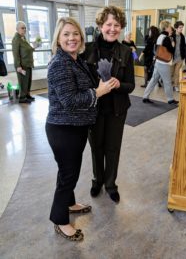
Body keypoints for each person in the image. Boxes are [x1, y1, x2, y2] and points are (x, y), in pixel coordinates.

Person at [45, 17, 115, 241]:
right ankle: (60, 220)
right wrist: (98, 92)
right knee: (68, 174)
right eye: (66, 34)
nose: (71, 38)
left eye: (75, 34)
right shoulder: (59, 64)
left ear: (81, 37)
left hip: (75, 127)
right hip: (63, 129)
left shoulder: (75, 60)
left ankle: (70, 203)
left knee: (68, 170)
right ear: (58, 38)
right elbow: (70, 101)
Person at [83, 5, 135, 203]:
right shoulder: (86, 50)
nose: (112, 28)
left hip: (117, 110)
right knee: (96, 147)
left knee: (113, 148)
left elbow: (131, 85)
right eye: (108, 24)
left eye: (117, 25)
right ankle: (97, 180)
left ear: (121, 27)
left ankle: (111, 184)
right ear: (100, 26)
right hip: (94, 109)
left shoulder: (125, 51)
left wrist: (119, 84)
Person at [142, 20, 178, 105]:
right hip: (164, 63)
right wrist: (173, 44)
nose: (170, 28)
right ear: (166, 28)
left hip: (158, 61)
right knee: (167, 81)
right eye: (169, 27)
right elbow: (171, 50)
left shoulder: (160, 36)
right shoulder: (166, 38)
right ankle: (170, 99)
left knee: (153, 80)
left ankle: (145, 96)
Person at [12, 21, 35, 103]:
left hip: (28, 64)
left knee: (28, 81)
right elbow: (16, 54)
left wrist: (35, 46)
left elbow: (28, 49)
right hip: (22, 65)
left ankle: (27, 95)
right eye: (22, 28)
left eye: (25, 28)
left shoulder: (23, 38)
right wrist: (18, 66)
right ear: (17, 29)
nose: (24, 29)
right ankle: (22, 98)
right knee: (23, 82)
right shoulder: (16, 39)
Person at [171, 21, 185, 92]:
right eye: (180, 27)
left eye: (182, 27)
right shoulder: (171, 35)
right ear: (176, 28)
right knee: (170, 73)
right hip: (172, 57)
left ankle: (175, 86)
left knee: (177, 73)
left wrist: (183, 56)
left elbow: (183, 47)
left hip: (180, 57)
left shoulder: (182, 36)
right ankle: (168, 84)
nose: (181, 29)